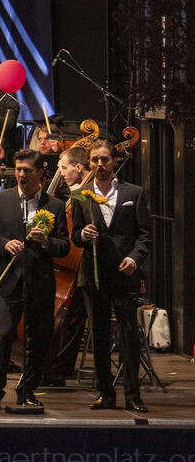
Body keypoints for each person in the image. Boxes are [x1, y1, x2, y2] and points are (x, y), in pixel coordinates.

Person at [0, 148, 68, 411]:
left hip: (40, 282)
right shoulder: (0, 199)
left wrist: (47, 242)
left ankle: (27, 390)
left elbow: (64, 246)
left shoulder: (55, 206)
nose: (21, 175)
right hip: (8, 281)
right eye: (18, 169)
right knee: (3, 334)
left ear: (40, 173)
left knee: (40, 339)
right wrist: (4, 244)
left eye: (27, 170)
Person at [74, 138, 151, 412]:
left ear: (114, 161)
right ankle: (106, 393)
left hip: (124, 274)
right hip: (95, 276)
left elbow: (144, 235)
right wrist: (82, 234)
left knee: (129, 337)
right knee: (101, 338)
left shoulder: (134, 192)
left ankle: (133, 395)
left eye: (105, 159)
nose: (100, 165)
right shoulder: (82, 196)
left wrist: (134, 258)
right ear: (89, 164)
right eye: (95, 160)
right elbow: (74, 235)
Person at [44, 141, 92, 385]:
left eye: (64, 167)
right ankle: (54, 365)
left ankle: (61, 367)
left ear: (80, 168)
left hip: (83, 268)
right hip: (72, 269)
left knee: (73, 320)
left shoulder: (85, 197)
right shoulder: (72, 197)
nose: (60, 172)